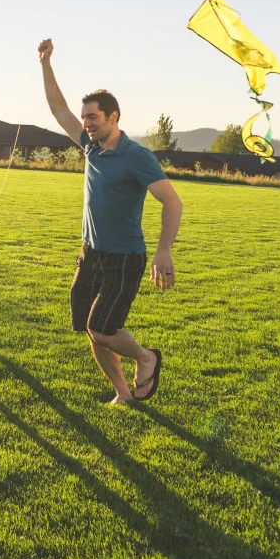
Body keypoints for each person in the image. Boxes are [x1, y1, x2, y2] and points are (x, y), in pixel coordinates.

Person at [38, 38, 183, 404]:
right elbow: (58, 108)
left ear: (113, 117)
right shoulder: (90, 146)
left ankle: (147, 358)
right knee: (93, 331)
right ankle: (123, 394)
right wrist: (45, 63)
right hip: (91, 254)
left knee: (101, 327)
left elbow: (172, 202)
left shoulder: (137, 157)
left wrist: (164, 250)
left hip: (124, 257)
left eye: (92, 117)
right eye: (84, 117)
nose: (85, 123)